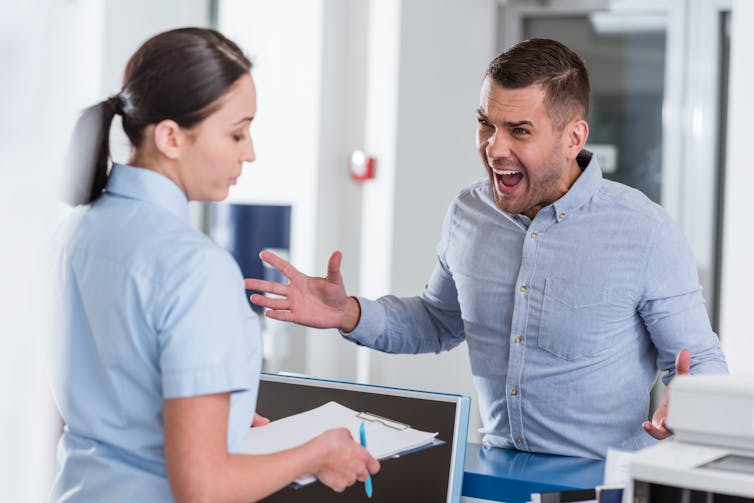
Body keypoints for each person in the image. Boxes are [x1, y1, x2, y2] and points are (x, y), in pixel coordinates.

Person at [245, 38, 728, 460]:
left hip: (601, 485)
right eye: (485, 124)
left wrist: (687, 401)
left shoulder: (645, 231)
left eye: (519, 130)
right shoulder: (468, 213)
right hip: (494, 475)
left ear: (572, 137)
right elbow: (437, 321)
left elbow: (699, 361)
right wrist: (349, 313)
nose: (493, 148)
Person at [51, 27, 379, 502]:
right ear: (170, 137)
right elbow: (203, 489)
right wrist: (317, 453)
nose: (250, 152)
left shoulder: (71, 235)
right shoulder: (194, 267)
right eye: (237, 132)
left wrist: (212, 420)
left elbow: (71, 412)